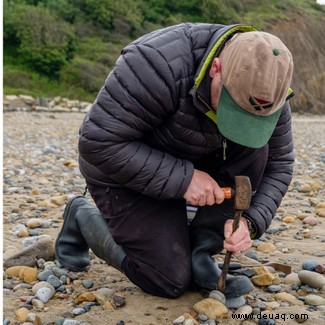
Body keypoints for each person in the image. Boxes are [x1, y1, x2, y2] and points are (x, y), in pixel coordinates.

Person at [55, 23, 294, 299]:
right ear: (216, 68)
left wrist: (249, 222)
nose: (239, 123)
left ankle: (200, 252)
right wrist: (184, 179)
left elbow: (280, 162)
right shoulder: (155, 63)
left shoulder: (269, 89)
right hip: (125, 169)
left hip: (196, 161)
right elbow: (97, 142)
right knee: (166, 279)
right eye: (232, 106)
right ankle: (81, 215)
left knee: (258, 150)